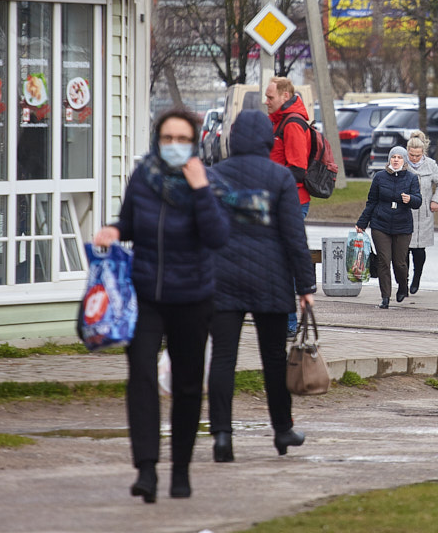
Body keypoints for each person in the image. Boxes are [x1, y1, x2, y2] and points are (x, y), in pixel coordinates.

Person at [92, 108, 230, 503]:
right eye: (167, 139)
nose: (173, 146)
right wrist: (115, 230)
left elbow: (218, 236)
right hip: (147, 296)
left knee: (187, 386)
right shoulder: (144, 177)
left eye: (181, 139)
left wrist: (201, 189)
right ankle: (147, 469)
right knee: (141, 377)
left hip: (193, 297)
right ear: (157, 141)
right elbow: (130, 222)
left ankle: (181, 470)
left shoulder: (207, 179)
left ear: (194, 142)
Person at [206, 110, 315, 463]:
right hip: (271, 279)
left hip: (222, 279)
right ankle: (282, 430)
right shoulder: (280, 177)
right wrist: (306, 286)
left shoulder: (213, 176)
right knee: (273, 359)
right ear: (269, 138)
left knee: (223, 358)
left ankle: (222, 435)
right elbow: (294, 236)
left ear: (233, 138)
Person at [265, 76, 310, 333]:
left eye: (270, 97)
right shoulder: (280, 121)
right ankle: (285, 322)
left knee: (285, 263)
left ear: (284, 96)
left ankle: (289, 324)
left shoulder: (292, 124)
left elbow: (297, 171)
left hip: (291, 203)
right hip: (283, 202)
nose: (266, 101)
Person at [356, 146, 421, 308]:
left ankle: (403, 287)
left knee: (399, 263)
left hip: (403, 225)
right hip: (381, 224)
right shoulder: (379, 177)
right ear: (389, 159)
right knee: (384, 261)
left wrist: (410, 199)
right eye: (394, 157)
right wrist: (362, 223)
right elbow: (371, 202)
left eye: (400, 157)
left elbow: (418, 201)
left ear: (404, 160)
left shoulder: (411, 178)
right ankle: (385, 297)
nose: (396, 160)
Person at [405, 130, 438, 295]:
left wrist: (436, 200)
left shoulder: (430, 164)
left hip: (423, 214)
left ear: (423, 152)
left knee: (419, 249)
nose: (414, 158)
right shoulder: (402, 163)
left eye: (417, 155)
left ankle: (417, 277)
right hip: (404, 213)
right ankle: (404, 281)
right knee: (403, 250)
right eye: (411, 155)